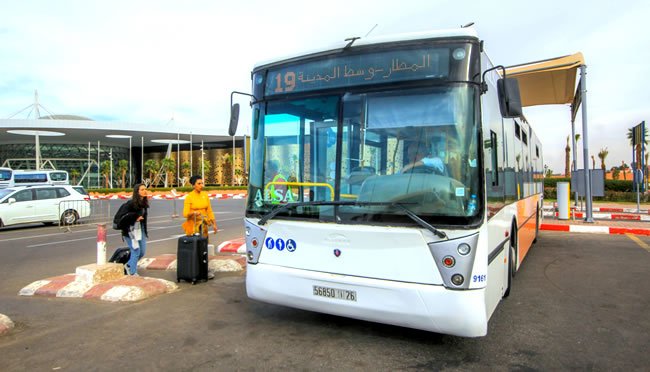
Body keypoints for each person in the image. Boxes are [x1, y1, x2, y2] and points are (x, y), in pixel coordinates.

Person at [120, 183, 149, 276]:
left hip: (141, 230)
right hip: (130, 231)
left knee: (142, 252)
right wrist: (135, 217)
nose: (145, 191)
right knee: (136, 250)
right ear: (137, 192)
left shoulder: (144, 204)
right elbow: (120, 217)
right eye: (142, 190)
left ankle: (128, 265)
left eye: (145, 189)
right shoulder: (130, 204)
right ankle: (133, 272)